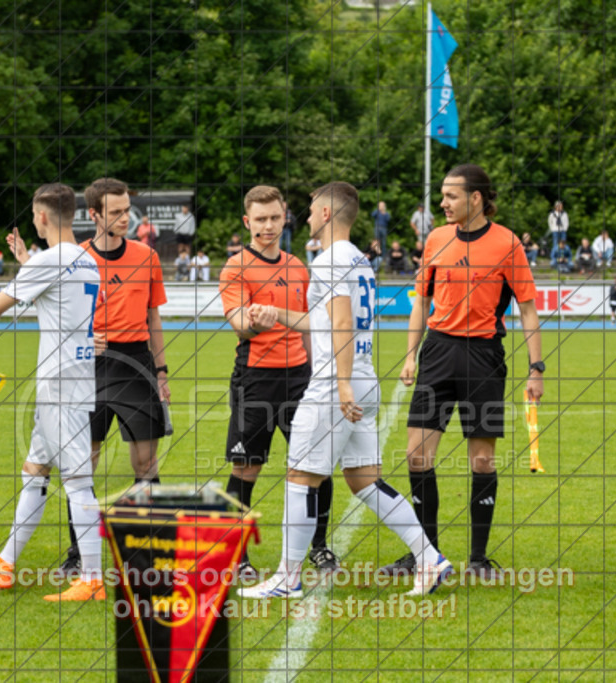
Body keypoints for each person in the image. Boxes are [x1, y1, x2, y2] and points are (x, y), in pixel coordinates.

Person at [238, 181, 451, 599]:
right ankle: (430, 559)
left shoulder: (329, 259)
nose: (307, 215)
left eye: (314, 208)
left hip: (337, 383)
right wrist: (278, 313)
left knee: (300, 477)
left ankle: (287, 578)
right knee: (365, 480)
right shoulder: (357, 259)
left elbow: (340, 325)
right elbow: (329, 320)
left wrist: (339, 385)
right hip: (363, 378)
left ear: (328, 214)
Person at [0, 184, 105, 601]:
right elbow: (56, 297)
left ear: (42, 217)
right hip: (73, 379)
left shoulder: (50, 261)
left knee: (78, 482)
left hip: (59, 385)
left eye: (33, 215)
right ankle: (5, 563)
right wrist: (29, 263)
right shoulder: (86, 259)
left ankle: (94, 579)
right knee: (35, 471)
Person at [380, 164, 543, 580]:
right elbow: (420, 301)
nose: (442, 203)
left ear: (475, 198)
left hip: (484, 358)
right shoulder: (435, 239)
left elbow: (526, 307)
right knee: (417, 456)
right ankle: (425, 555)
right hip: (437, 352)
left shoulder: (508, 243)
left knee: (483, 462)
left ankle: (478, 559)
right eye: (442, 196)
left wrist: (536, 368)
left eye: (450, 196)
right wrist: (411, 354)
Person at [218, 184, 338, 582]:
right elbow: (238, 325)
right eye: (260, 219)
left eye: (274, 218)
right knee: (246, 468)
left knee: (315, 467)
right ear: (246, 222)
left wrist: (320, 371)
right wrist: (255, 322)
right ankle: (237, 558)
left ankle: (319, 548)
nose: (268, 226)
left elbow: (310, 327)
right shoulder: (235, 267)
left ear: (285, 217)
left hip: (302, 379)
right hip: (255, 379)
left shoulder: (299, 267)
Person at [58, 177, 171, 575]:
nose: (126, 218)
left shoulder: (146, 255)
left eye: (128, 210)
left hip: (138, 363)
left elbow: (153, 316)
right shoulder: (75, 258)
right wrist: (85, 337)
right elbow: (56, 316)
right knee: (82, 462)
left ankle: (150, 553)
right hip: (89, 367)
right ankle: (78, 556)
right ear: (94, 215)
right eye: (117, 212)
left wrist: (161, 370)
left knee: (146, 462)